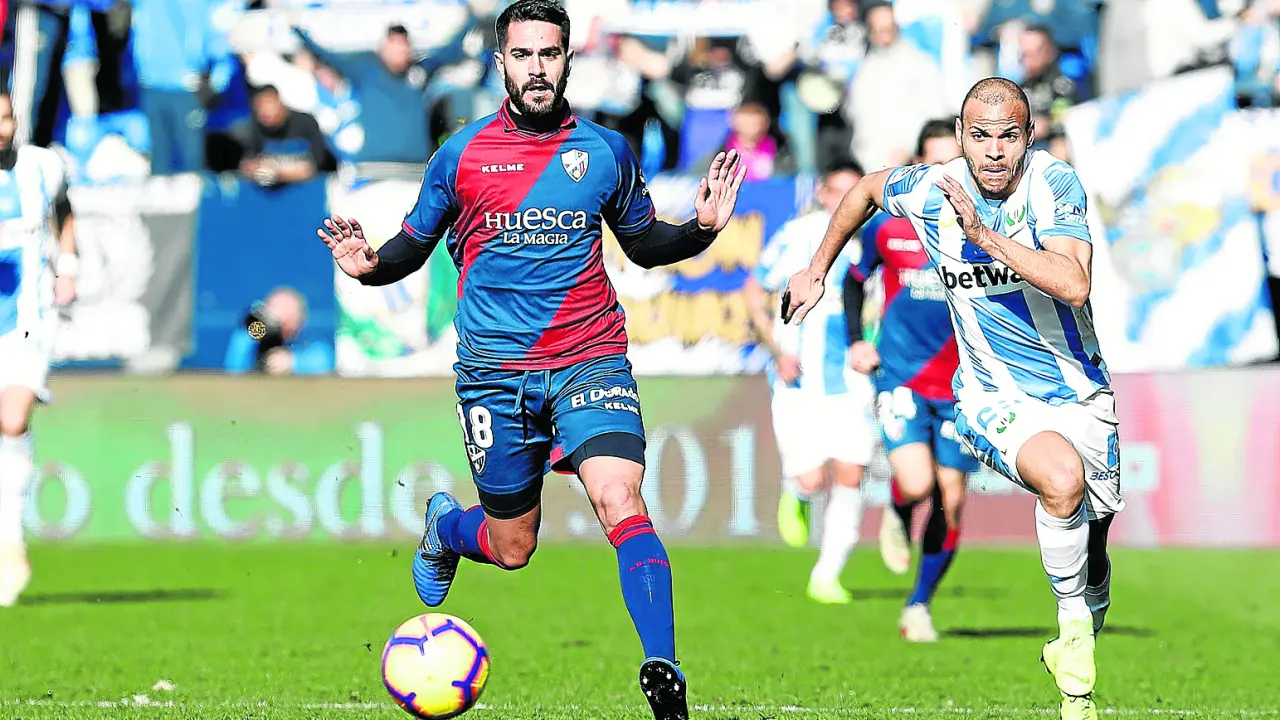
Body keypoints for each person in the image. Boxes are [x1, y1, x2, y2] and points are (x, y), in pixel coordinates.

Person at [314, 2, 745, 718]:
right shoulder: (460, 155)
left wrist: (699, 230)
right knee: (513, 547)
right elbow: (413, 246)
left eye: (549, 53)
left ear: (568, 60)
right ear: (500, 63)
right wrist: (370, 267)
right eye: (523, 55)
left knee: (620, 498)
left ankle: (664, 671)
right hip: (495, 374)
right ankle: (446, 528)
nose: (537, 68)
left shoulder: (605, 151)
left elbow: (643, 245)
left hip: (589, 358)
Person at [782, 77, 1121, 720]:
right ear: (962, 137)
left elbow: (1074, 284)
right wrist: (817, 269)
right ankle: (1073, 652)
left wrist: (986, 238)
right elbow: (865, 189)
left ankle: (1083, 615)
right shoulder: (930, 187)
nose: (994, 151)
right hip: (992, 392)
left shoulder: (1053, 184)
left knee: (1095, 539)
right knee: (1061, 481)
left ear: (1029, 137)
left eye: (1009, 136)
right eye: (981, 136)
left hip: (1077, 390)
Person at [841, 118, 975, 642]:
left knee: (951, 500)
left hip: (965, 385)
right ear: (919, 165)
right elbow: (854, 281)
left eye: (953, 164)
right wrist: (857, 339)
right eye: (935, 163)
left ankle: (919, 605)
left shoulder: (986, 229)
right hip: (902, 376)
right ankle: (899, 510)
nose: (946, 174)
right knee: (919, 484)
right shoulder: (890, 225)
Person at [744, 161, 874, 605]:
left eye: (855, 194)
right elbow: (753, 291)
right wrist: (777, 352)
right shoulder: (799, 235)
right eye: (838, 192)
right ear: (822, 192)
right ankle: (795, 491)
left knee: (851, 474)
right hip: (798, 381)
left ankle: (827, 575)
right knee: (812, 479)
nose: (846, 203)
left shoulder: (870, 241)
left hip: (851, 381)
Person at [0, 91, 78, 607]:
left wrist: (68, 266)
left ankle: (10, 544)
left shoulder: (42, 167)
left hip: (29, 320)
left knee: (12, 419)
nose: (1, 129)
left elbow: (66, 210)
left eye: (6, 118)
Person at [223, 287, 334, 376]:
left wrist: (292, 362)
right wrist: (252, 332)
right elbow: (234, 367)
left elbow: (325, 361)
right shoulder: (254, 338)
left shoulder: (305, 339)